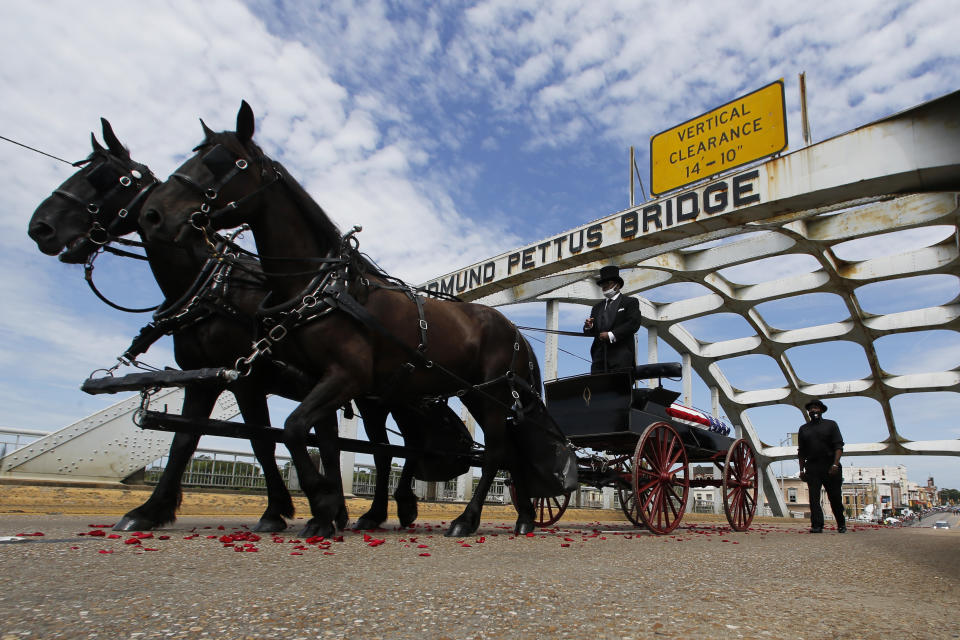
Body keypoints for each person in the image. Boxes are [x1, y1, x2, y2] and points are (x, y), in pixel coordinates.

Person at [797, 399, 847, 534]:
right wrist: (801, 470)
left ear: (821, 410)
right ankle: (817, 525)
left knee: (835, 497)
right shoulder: (804, 429)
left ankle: (841, 523)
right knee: (813, 498)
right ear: (808, 412)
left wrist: (835, 464)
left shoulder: (831, 425)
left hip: (830, 465)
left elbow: (838, 446)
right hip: (812, 466)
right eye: (811, 408)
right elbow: (801, 452)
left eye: (816, 408)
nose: (813, 411)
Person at [582, 265, 642, 374]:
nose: (604, 286)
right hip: (598, 360)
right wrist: (589, 326)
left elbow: (633, 323)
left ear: (617, 285)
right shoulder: (596, 307)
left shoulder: (630, 302)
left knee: (620, 389)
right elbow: (591, 332)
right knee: (598, 389)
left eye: (607, 283)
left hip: (621, 359)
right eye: (602, 284)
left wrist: (611, 335)